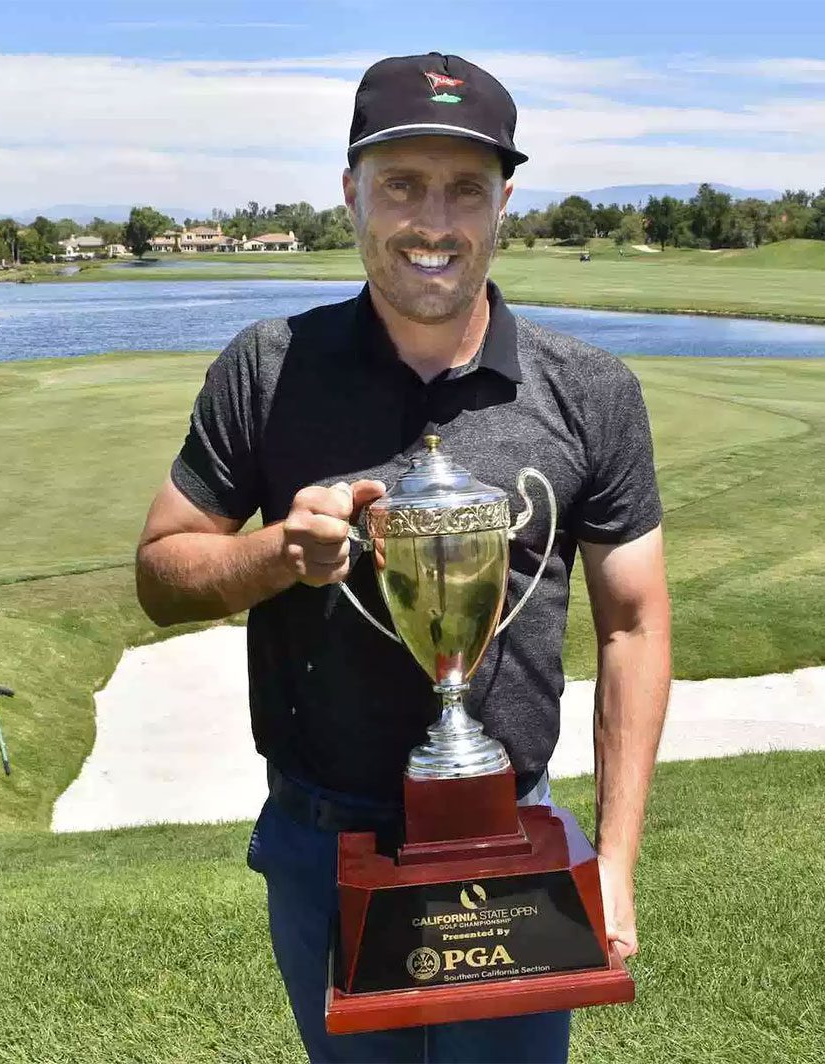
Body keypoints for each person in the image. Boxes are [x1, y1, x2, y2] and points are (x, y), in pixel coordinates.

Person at [134, 51, 671, 1063]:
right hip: (321, 837)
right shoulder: (268, 368)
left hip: (511, 832)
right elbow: (161, 570)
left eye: (466, 187)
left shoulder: (592, 391)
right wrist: (273, 557)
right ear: (350, 194)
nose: (434, 220)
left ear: (504, 201)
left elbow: (636, 621)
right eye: (401, 185)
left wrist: (620, 860)